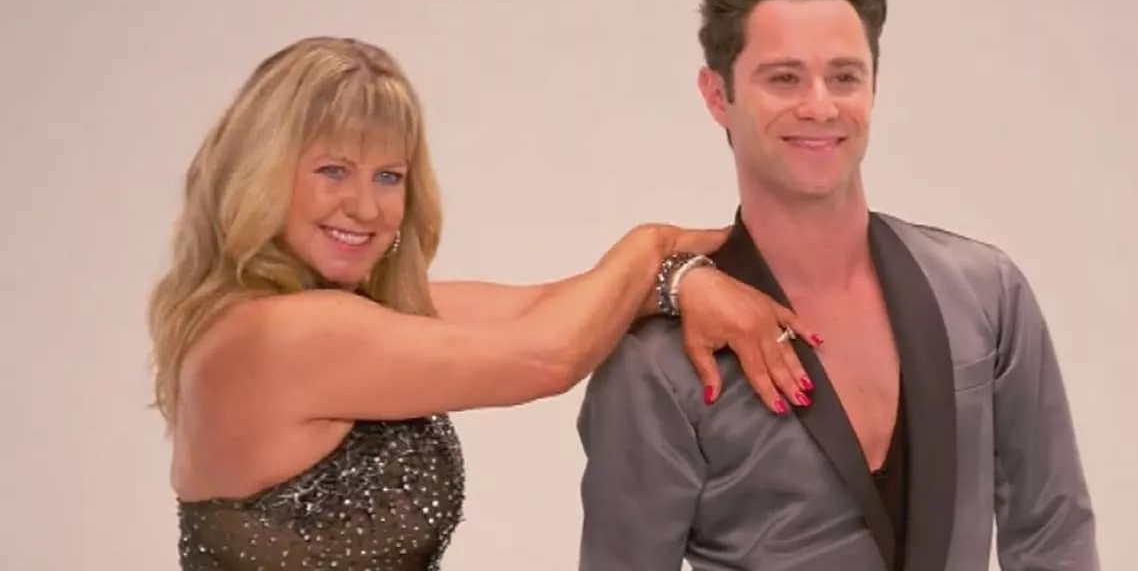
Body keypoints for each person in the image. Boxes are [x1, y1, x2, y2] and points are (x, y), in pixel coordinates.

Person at [146, 35, 824, 570]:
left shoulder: (341, 317)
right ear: (262, 174)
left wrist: (699, 270)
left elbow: (546, 307)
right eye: (333, 171)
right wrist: (656, 245)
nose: (365, 206)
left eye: (388, 176)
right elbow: (548, 357)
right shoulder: (278, 335)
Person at [575, 0, 1099, 570]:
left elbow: (1053, 536)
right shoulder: (657, 363)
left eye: (844, 76)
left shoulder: (986, 292)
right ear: (717, 96)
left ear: (873, 88)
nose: (820, 106)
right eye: (784, 78)